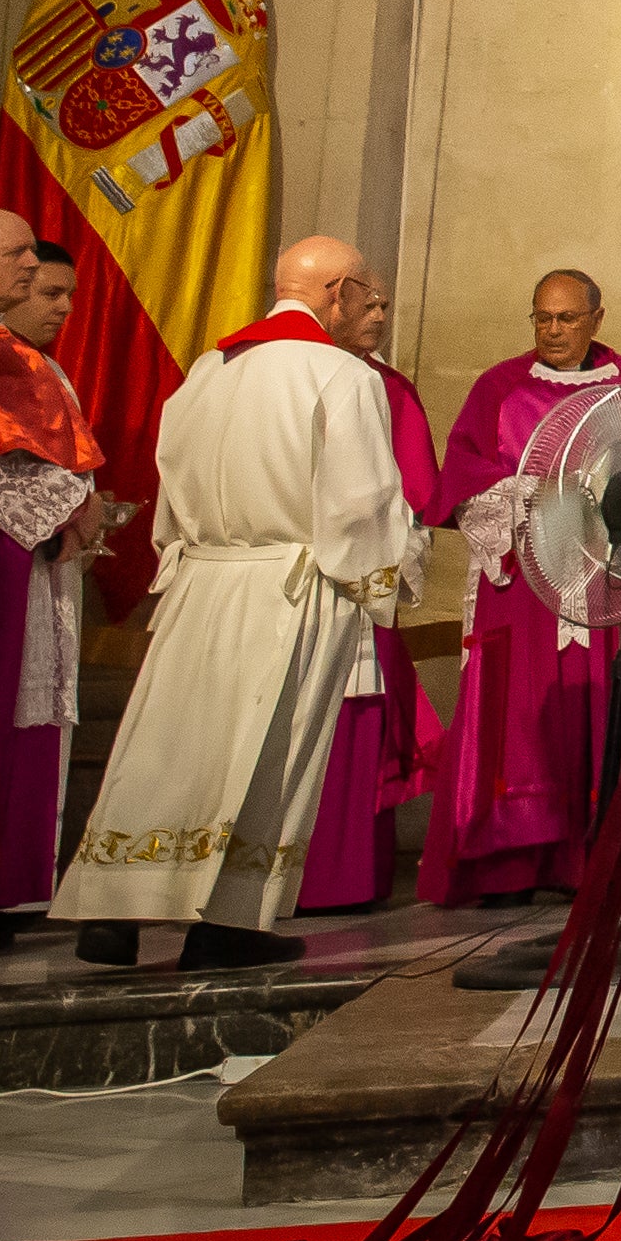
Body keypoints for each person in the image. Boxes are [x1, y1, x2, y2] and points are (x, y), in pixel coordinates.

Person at [57, 238, 417, 971]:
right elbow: (360, 503)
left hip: (200, 578)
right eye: (363, 294)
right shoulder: (342, 374)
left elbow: (171, 471)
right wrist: (390, 574)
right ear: (340, 292)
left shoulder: (209, 368)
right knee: (267, 749)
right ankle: (228, 924)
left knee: (163, 747)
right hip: (292, 581)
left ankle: (111, 908)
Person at [423, 271, 621, 904]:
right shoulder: (499, 386)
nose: (552, 331)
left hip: (600, 575)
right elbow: (464, 480)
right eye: (542, 318)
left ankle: (594, 856)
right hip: (520, 580)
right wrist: (534, 496)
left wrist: (604, 495)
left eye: (566, 319)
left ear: (596, 320)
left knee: (596, 698)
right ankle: (509, 862)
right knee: (515, 713)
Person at [0, 208, 102, 926]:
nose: (36, 276)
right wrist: (67, 510)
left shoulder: (21, 351)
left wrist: (79, 504)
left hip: (37, 562)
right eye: (22, 261)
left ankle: (19, 881)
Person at [296, 287, 444, 914]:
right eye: (368, 305)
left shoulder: (390, 388)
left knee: (355, 724)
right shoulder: (291, 375)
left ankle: (346, 875)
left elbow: (418, 498)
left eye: (388, 305)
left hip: (356, 589)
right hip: (288, 570)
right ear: (331, 305)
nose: (382, 317)